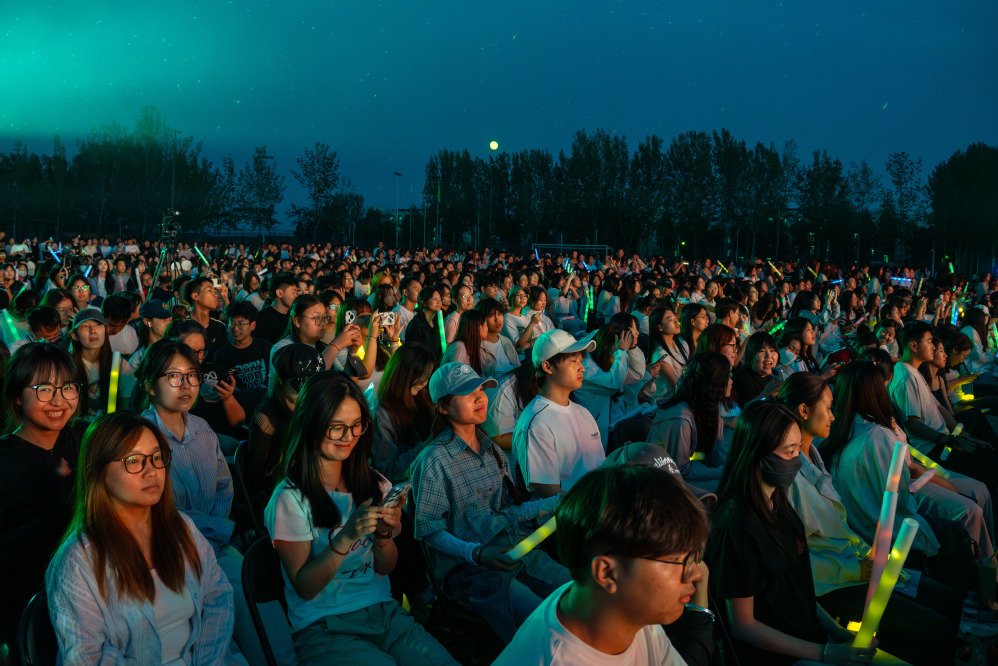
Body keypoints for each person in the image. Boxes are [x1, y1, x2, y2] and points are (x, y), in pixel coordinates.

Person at [266, 371, 457, 665]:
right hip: (325, 626)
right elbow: (305, 586)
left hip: (383, 613)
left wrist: (383, 534)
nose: (349, 437)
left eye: (357, 425)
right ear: (310, 424)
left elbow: (385, 566)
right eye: (336, 428)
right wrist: (346, 537)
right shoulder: (289, 498)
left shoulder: (374, 484)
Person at [777, 372, 960, 666]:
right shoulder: (788, 475)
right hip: (832, 586)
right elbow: (794, 558)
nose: (833, 416)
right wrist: (855, 567)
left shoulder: (815, 455)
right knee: (936, 631)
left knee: (948, 599)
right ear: (804, 410)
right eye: (828, 407)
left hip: (858, 565)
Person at [706, 400, 896, 666]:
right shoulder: (735, 526)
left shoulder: (779, 502)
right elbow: (743, 626)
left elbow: (798, 589)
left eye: (799, 450)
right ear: (756, 453)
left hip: (810, 641)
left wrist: (838, 633)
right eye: (789, 452)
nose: (797, 460)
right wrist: (825, 653)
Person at [46, 412, 238, 664]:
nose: (152, 472)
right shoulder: (77, 562)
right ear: (99, 471)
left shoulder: (181, 527)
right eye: (134, 461)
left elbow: (217, 596)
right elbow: (87, 657)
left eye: (157, 457)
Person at [411, 362, 570, 642]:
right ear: (443, 407)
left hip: (517, 552)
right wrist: (478, 554)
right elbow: (430, 531)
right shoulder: (434, 460)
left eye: (481, 389)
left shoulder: (493, 451)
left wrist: (559, 503)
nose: (479, 397)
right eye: (467, 393)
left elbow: (511, 510)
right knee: (543, 626)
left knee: (576, 594)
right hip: (471, 573)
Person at [494, 464, 711, 666]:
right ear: (607, 573)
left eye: (694, 554)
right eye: (677, 560)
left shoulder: (626, 608)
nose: (696, 573)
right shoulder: (559, 658)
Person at [0, 343, 85, 659]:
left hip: (93, 595)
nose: (59, 401)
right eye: (44, 389)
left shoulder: (85, 439)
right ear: (17, 396)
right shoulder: (5, 461)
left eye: (68, 387)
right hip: (29, 608)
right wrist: (55, 499)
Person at [513, 330, 603, 497]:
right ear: (547, 366)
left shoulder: (584, 413)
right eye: (573, 361)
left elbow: (600, 468)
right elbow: (550, 494)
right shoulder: (537, 424)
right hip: (572, 512)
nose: (582, 368)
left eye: (581, 361)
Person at [648, 352, 731, 491]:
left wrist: (731, 469)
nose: (731, 381)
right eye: (728, 376)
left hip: (689, 474)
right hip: (665, 483)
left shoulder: (709, 410)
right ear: (715, 383)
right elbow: (680, 469)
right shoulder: (680, 418)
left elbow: (717, 454)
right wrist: (720, 472)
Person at [369, 343, 437, 482]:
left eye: (427, 376)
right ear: (403, 374)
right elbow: (388, 470)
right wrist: (425, 446)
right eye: (420, 376)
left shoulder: (424, 397)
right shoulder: (383, 414)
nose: (424, 382)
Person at [70, 307, 134, 417]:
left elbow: (125, 407)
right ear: (74, 336)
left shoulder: (119, 365)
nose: (93, 330)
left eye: (98, 324)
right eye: (85, 326)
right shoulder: (67, 366)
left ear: (106, 330)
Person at [214, 300, 273, 392]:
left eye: (240, 324)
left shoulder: (266, 348)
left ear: (253, 325)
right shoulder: (222, 355)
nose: (235, 328)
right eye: (232, 323)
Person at [731, 331, 782, 405]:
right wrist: (767, 394)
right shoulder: (741, 378)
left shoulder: (773, 378)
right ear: (750, 354)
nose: (769, 356)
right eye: (762, 351)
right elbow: (746, 409)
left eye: (772, 350)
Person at [129, 298, 173, 370]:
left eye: (170, 320)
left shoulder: (175, 348)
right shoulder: (138, 359)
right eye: (164, 319)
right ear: (147, 322)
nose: (169, 323)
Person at [254, 273, 298, 343]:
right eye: (293, 292)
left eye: (296, 292)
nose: (296, 296)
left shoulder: (293, 315)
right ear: (279, 293)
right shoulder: (262, 318)